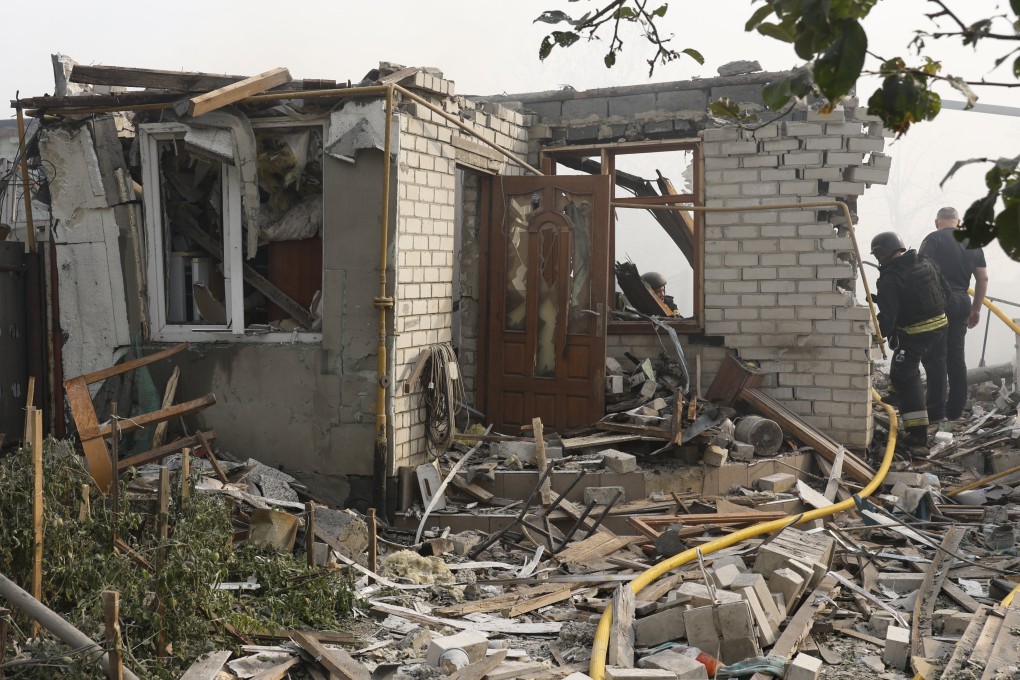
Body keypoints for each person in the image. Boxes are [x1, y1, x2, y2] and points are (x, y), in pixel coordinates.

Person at [871, 231, 949, 451]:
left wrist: (875, 336)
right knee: (902, 359)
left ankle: (918, 437)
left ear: (881, 254)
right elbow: (947, 292)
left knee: (907, 373)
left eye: (877, 257)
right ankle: (895, 393)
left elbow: (888, 318)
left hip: (918, 332)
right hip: (941, 324)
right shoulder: (926, 263)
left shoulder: (890, 278)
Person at [918, 206, 989, 423]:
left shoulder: (933, 239)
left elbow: (921, 271)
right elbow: (983, 278)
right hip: (962, 301)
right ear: (958, 222)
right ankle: (956, 410)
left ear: (937, 222)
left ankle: (936, 412)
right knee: (956, 358)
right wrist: (976, 308)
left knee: (936, 356)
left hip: (938, 301)